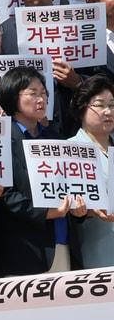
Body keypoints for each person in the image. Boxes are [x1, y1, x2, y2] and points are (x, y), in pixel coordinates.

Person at [0, 65, 85, 275]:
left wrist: (79, 209)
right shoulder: (2, 140)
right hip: (26, 248)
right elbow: (8, 196)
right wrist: (48, 213)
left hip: (63, 240)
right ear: (12, 97)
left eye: (44, 93)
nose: (41, 99)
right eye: (33, 94)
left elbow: (73, 184)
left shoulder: (56, 138)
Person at [68, 76, 114, 269]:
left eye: (112, 104)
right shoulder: (69, 150)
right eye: (99, 105)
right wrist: (85, 210)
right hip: (97, 250)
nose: (108, 111)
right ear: (82, 108)